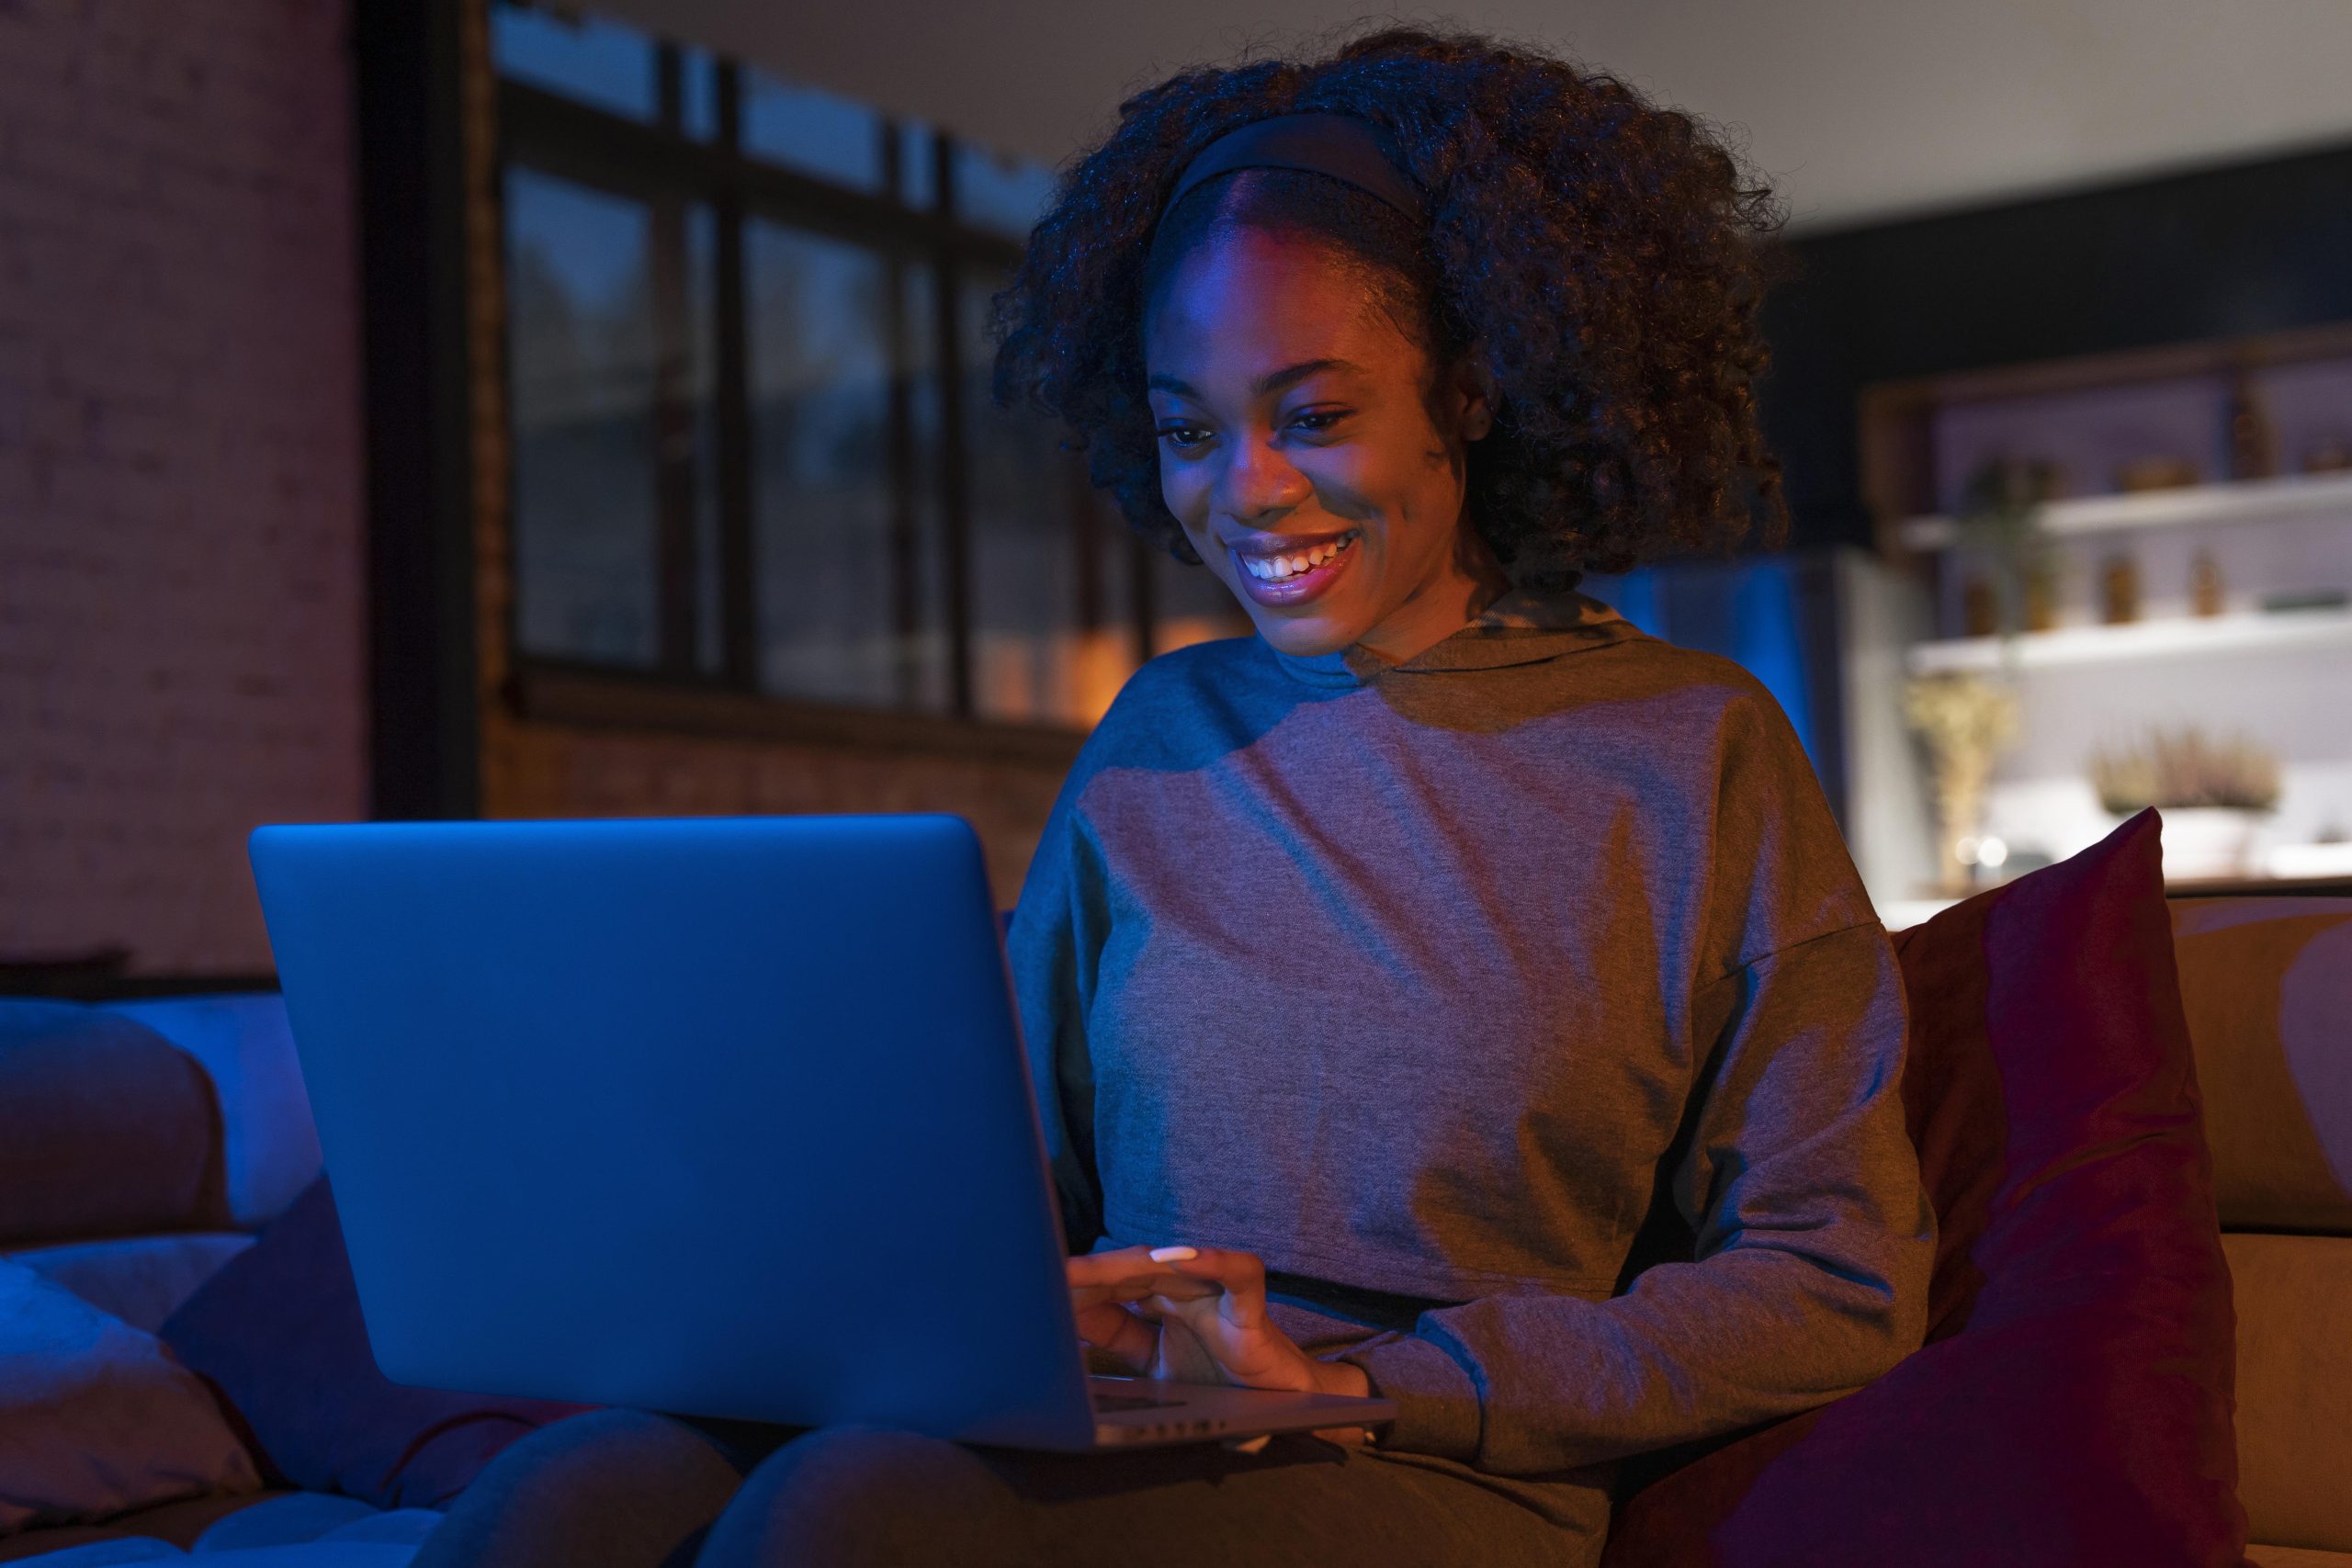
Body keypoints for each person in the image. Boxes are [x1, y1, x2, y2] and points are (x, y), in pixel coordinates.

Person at [418, 28, 1935, 1568]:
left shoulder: (1692, 748)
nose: (1247, 490)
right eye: (1191, 432)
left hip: (1429, 1459)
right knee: (573, 1490)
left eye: (1315, 415)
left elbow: (1839, 1274)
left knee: (855, 1515)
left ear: (1472, 389)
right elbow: (1009, 1178)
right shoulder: (1157, 735)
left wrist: (1372, 1383)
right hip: (1123, 1409)